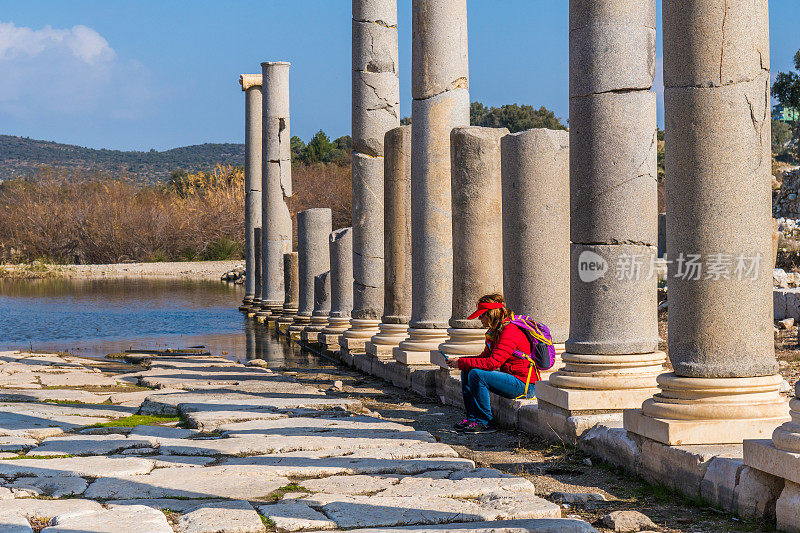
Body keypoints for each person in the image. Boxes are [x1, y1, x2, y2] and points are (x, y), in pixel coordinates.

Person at [446, 293, 540, 434]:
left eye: (482, 315)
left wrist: (461, 362)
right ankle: (472, 418)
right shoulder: (496, 331)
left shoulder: (510, 331)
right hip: (510, 378)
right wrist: (460, 361)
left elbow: (492, 363)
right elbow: (483, 357)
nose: (479, 318)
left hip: (524, 385)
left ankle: (485, 422)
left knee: (476, 374)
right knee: (468, 369)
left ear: (491, 314)